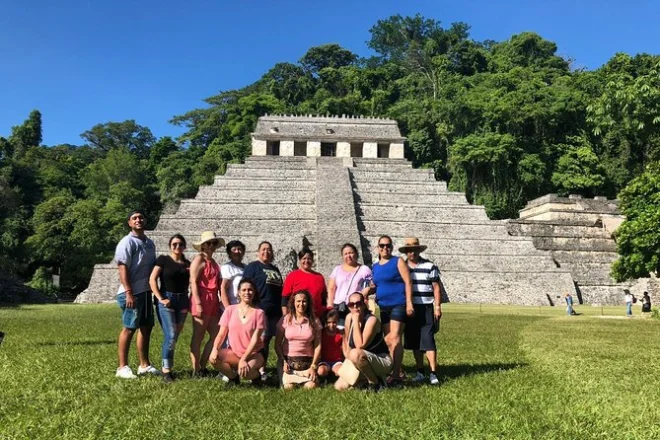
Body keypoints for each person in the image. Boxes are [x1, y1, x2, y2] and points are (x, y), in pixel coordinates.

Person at [115, 209, 158, 379]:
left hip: (145, 292)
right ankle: (122, 367)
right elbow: (122, 267)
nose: (138, 220)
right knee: (129, 328)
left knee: (146, 328)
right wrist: (128, 292)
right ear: (129, 223)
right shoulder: (126, 242)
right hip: (131, 293)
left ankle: (144, 365)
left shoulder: (149, 243)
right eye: (134, 218)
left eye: (141, 217)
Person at [368, 235, 413, 386]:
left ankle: (396, 374)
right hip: (384, 306)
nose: (385, 248)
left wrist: (409, 303)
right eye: (382, 245)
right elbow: (375, 285)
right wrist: (367, 291)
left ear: (392, 247)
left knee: (394, 338)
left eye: (388, 245)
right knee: (389, 341)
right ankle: (396, 371)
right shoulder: (375, 267)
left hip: (398, 304)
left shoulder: (398, 261)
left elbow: (408, 282)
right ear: (378, 248)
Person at [148, 234, 191, 382]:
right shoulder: (163, 260)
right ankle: (166, 370)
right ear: (170, 246)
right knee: (171, 335)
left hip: (183, 301)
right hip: (167, 300)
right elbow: (152, 279)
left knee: (174, 336)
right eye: (174, 244)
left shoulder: (187, 263)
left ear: (184, 246)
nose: (177, 247)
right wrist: (161, 298)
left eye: (180, 244)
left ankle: (168, 365)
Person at [209, 278, 266, 385]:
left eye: (250, 290)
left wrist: (244, 359)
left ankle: (256, 376)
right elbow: (221, 334)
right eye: (244, 290)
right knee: (214, 359)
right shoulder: (230, 310)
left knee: (244, 373)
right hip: (234, 352)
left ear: (254, 292)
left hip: (254, 353)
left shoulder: (259, 313)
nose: (247, 292)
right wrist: (215, 349)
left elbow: (255, 340)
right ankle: (233, 377)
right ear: (238, 292)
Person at [400, 238, 441, 386]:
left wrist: (437, 307)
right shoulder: (402, 267)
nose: (412, 253)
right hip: (410, 307)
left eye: (415, 250)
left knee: (428, 340)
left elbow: (436, 287)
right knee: (415, 341)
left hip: (426, 307)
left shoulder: (430, 266)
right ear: (406, 252)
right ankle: (420, 371)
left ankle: (433, 373)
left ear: (419, 250)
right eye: (409, 250)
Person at [243, 241, 283, 382]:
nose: (266, 252)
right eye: (263, 249)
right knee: (261, 340)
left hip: (275, 311)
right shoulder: (252, 267)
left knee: (268, 340)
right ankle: (257, 369)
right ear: (258, 252)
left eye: (269, 249)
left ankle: (261, 368)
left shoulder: (275, 269)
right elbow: (246, 287)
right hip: (260, 309)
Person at [335, 292, 392, 392]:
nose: (355, 307)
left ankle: (375, 383)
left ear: (364, 305)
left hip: (381, 359)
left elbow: (360, 345)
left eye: (358, 303)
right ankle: (364, 380)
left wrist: (356, 321)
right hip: (359, 359)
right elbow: (347, 342)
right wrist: (348, 362)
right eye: (351, 304)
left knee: (355, 353)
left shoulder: (371, 320)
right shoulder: (349, 318)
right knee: (339, 387)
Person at [189, 231, 225, 376]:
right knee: (198, 335)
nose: (211, 246)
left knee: (216, 334)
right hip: (202, 298)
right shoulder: (199, 259)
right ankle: (196, 369)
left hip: (213, 300)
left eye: (213, 243)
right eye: (208, 243)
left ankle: (202, 366)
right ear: (203, 245)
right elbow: (193, 282)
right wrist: (198, 303)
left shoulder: (214, 262)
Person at [275, 290, 322, 389]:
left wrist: (313, 366)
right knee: (288, 387)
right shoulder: (285, 319)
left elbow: (318, 346)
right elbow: (277, 344)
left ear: (308, 303)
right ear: (293, 303)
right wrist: (283, 361)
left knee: (311, 387)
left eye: (304, 301)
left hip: (308, 364)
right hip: (288, 364)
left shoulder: (315, 321)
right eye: (298, 301)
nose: (301, 304)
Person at [327, 243, 372, 329]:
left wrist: (369, 289)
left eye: (351, 253)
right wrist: (330, 304)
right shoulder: (337, 270)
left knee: (355, 330)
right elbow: (331, 288)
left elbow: (373, 285)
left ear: (356, 254)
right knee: (340, 331)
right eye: (346, 254)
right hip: (339, 306)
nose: (348, 256)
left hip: (355, 306)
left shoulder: (364, 269)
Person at [282, 247, 327, 319]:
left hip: (316, 317)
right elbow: (285, 298)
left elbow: (323, 298)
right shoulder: (293, 276)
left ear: (312, 260)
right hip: (297, 317)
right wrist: (285, 316)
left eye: (309, 258)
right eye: (304, 258)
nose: (306, 261)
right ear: (300, 260)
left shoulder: (319, 277)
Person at [317, 309, 344, 381]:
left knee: (341, 372)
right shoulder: (322, 333)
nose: (331, 325)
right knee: (321, 371)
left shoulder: (341, 333)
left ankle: (333, 374)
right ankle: (327, 375)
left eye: (334, 322)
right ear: (326, 322)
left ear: (338, 321)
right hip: (324, 361)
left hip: (337, 361)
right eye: (329, 322)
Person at [220, 240, 246, 308]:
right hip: (232, 306)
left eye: (239, 249)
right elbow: (223, 288)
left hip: (244, 307)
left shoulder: (247, 267)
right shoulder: (227, 267)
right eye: (234, 249)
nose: (237, 251)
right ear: (229, 253)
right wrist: (228, 309)